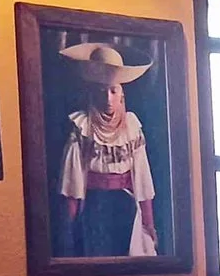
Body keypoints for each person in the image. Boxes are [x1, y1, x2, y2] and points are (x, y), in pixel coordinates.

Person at [53, 43, 159, 257]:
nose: (108, 98)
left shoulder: (131, 127)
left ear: (121, 94)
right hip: (94, 209)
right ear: (93, 93)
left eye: (113, 91)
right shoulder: (81, 127)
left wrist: (149, 223)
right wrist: (68, 230)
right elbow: (72, 183)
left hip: (126, 208)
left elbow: (142, 179)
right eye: (102, 92)